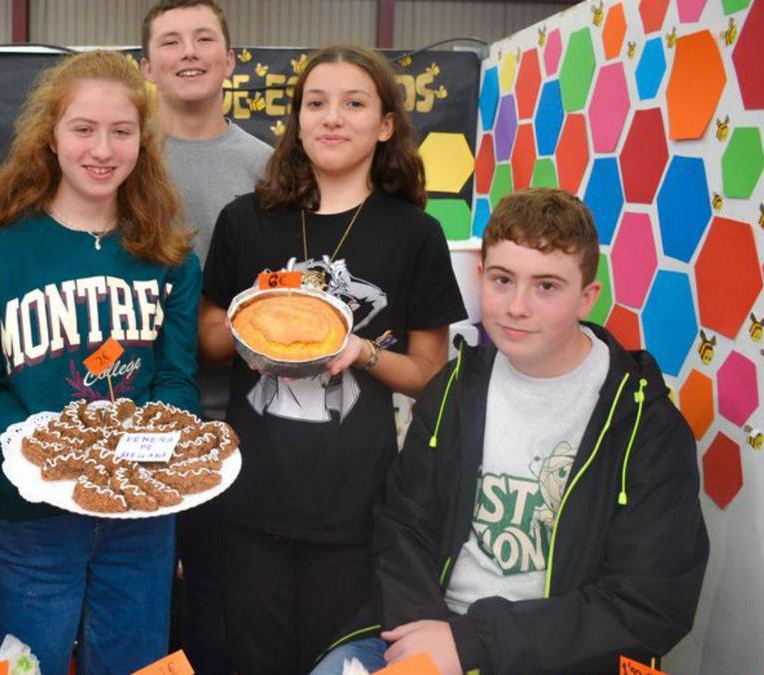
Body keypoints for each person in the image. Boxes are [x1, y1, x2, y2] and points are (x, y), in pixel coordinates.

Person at [312, 189, 709, 675]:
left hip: (556, 656)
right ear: (481, 277)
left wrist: (472, 643)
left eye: (546, 287)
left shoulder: (646, 426)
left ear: (588, 296)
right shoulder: (455, 389)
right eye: (503, 280)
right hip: (429, 630)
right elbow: (402, 526)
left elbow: (651, 604)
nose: (517, 306)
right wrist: (430, 640)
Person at [198, 45, 467, 674]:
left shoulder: (413, 234)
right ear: (295, 121)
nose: (332, 118)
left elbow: (431, 375)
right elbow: (207, 331)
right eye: (315, 103)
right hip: (247, 499)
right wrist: (252, 335)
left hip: (355, 512)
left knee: (334, 664)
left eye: (354, 103)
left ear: (386, 125)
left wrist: (361, 351)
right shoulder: (247, 221)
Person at [0, 50, 201, 675]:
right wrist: (47, 460)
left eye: (122, 131)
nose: (102, 148)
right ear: (50, 136)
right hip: (32, 519)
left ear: (143, 142)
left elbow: (176, 379)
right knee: (21, 667)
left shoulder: (170, 255)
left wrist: (141, 458)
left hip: (138, 519)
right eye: (83, 128)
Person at [138, 2, 272, 671]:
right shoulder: (119, 158)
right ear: (146, 66)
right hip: (133, 419)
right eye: (170, 42)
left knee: (218, 601)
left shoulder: (269, 167)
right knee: (143, 603)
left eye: (203, 39)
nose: (188, 53)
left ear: (229, 60)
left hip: (235, 419)